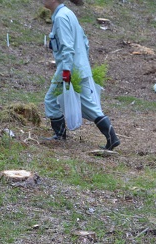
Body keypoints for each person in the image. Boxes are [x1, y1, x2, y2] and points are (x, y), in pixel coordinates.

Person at [42, 0, 119, 150]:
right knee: (88, 105)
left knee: (50, 100)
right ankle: (112, 138)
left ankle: (59, 136)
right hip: (79, 67)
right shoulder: (68, 13)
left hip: (68, 68)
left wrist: (66, 73)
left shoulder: (61, 18)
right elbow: (85, 41)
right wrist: (82, 62)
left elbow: (67, 48)